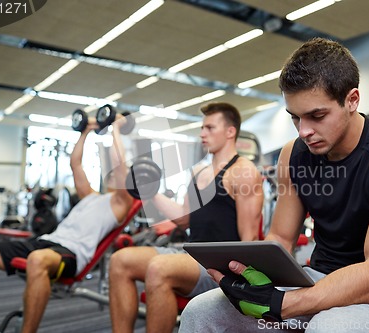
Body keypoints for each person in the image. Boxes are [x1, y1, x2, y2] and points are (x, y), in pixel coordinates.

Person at [178, 37, 369, 333]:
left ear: (352, 100)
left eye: (317, 116)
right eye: (295, 118)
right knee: (202, 312)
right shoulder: (294, 153)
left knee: (328, 328)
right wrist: (248, 277)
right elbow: (281, 240)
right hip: (315, 277)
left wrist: (284, 304)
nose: (305, 131)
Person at [0, 115, 134, 333]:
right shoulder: (91, 196)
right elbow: (75, 164)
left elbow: (120, 167)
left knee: (37, 260)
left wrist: (115, 131)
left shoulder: (121, 203)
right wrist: (85, 132)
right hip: (45, 242)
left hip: (71, 253)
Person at [108, 102, 264, 333]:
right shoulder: (198, 171)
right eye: (202, 128)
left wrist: (240, 287)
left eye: (210, 128)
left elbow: (249, 239)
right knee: (120, 260)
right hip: (190, 255)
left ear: (230, 132)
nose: (202, 133)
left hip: (219, 265)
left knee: (159, 267)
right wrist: (150, 192)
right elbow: (184, 219)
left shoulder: (243, 172)